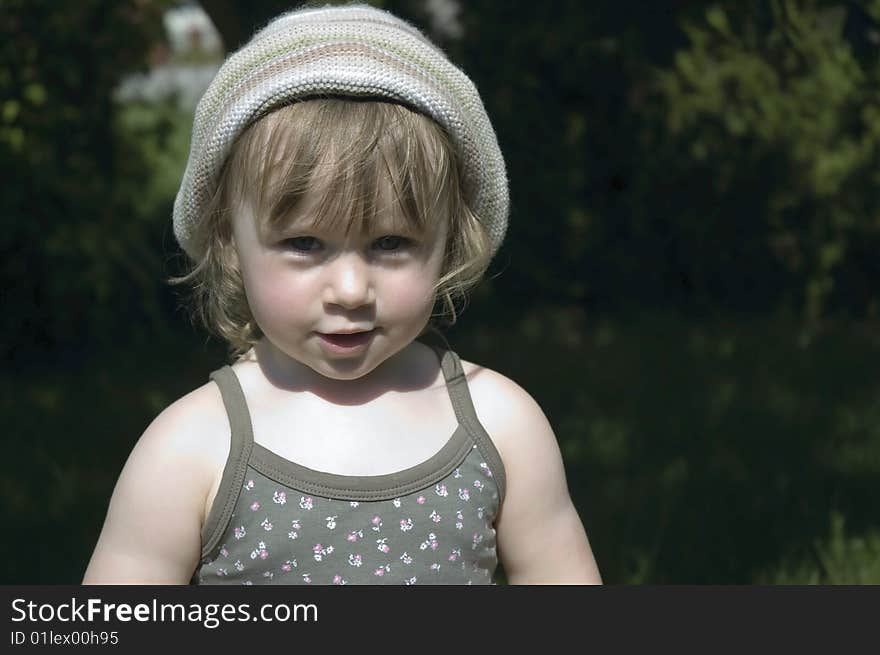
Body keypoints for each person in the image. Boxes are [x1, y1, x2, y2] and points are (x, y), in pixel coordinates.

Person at [82, 2, 601, 585]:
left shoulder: (499, 427)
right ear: (228, 238)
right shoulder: (192, 448)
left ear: (450, 241)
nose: (352, 290)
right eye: (304, 243)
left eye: (391, 243)